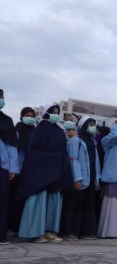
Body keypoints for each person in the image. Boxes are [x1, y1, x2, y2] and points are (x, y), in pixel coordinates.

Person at [18, 104, 71, 243]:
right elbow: (33, 151)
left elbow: (64, 151)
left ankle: (49, 231)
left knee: (53, 200)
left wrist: (62, 161)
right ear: (46, 113)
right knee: (39, 200)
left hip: (55, 171)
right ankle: (36, 232)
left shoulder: (59, 131)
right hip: (41, 172)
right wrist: (52, 158)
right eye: (52, 112)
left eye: (57, 112)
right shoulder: (40, 129)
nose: (55, 114)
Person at [60, 115, 100, 240]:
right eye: (90, 125)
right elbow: (73, 160)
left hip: (91, 178)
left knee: (88, 205)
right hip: (79, 178)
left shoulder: (93, 142)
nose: (93, 127)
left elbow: (96, 162)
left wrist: (97, 178)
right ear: (83, 126)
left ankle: (86, 231)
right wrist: (77, 178)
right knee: (74, 205)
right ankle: (70, 232)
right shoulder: (75, 141)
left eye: (94, 125)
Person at [8, 107, 36, 236]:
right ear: (21, 116)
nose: (30, 118)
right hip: (16, 171)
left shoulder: (35, 133)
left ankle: (18, 227)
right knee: (12, 200)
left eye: (32, 116)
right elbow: (13, 150)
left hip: (29, 173)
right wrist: (13, 168)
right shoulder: (17, 131)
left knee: (23, 202)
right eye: (27, 115)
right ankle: (10, 227)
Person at [0, 89, 19, 245]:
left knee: (2, 201)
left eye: (1, 97)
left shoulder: (7, 121)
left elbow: (12, 146)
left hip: (3, 166)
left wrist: (13, 168)